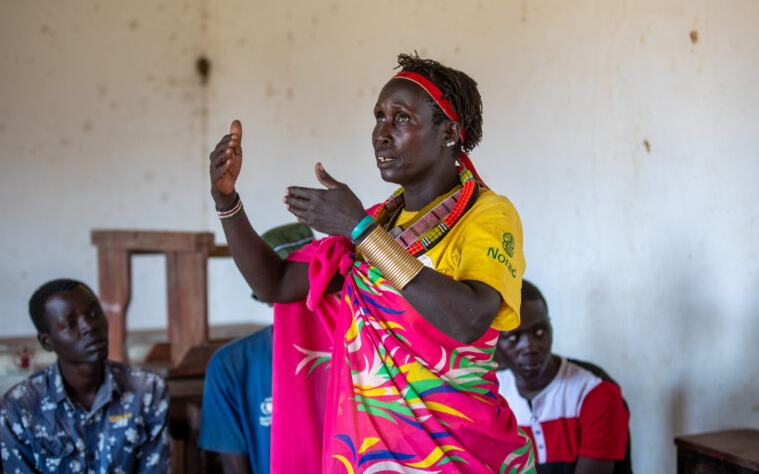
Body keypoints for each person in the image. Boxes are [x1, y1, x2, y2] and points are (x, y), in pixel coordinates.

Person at [208, 53, 534, 472]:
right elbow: (275, 284)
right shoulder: (378, 220)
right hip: (370, 458)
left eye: (401, 119)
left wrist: (360, 230)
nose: (381, 133)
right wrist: (227, 202)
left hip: (461, 454)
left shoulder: (486, 213)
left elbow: (469, 318)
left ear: (449, 132)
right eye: (379, 117)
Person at [0, 279, 170, 473]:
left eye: (94, 313)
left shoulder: (146, 389)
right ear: (47, 342)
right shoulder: (21, 406)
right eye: (70, 323)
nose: (89, 326)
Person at [197, 222, 313, 474]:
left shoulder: (353, 350)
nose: (299, 295)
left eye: (304, 283)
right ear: (264, 294)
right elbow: (234, 466)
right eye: (282, 284)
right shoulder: (231, 366)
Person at [495, 280, 631, 474]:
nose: (530, 347)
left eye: (540, 332)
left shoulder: (595, 392)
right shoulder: (492, 395)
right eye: (514, 337)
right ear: (495, 343)